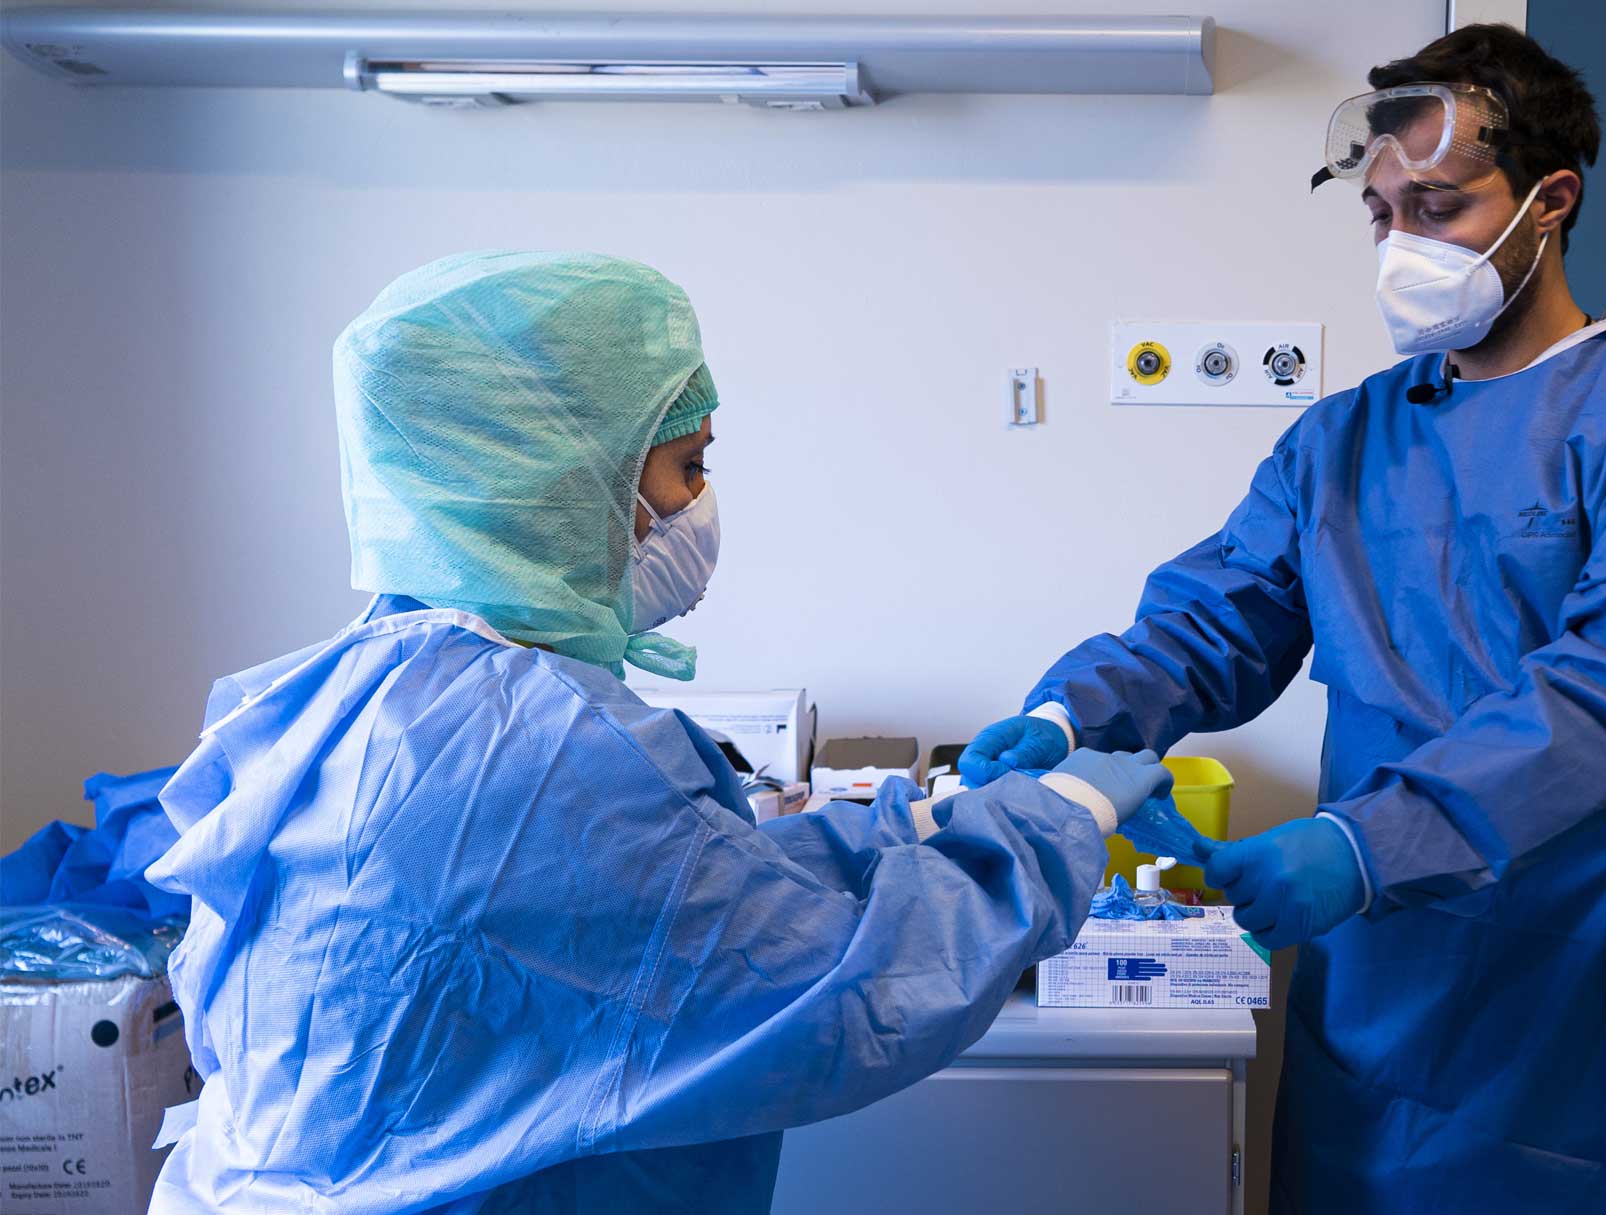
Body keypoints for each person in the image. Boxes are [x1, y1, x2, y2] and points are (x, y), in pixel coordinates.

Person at [960, 25, 1606, 1214]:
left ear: (1548, 201)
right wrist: (1068, 715)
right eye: (1380, 215)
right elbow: (1215, 620)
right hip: (1375, 967)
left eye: (1438, 207)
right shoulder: (1341, 441)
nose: (1403, 244)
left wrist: (1368, 845)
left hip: (1569, 968)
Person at [144, 251, 1172, 1214]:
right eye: (686, 465)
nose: (695, 505)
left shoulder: (351, 690)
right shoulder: (553, 745)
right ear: (569, 482)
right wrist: (1050, 821)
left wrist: (927, 815)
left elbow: (698, 885)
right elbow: (842, 986)